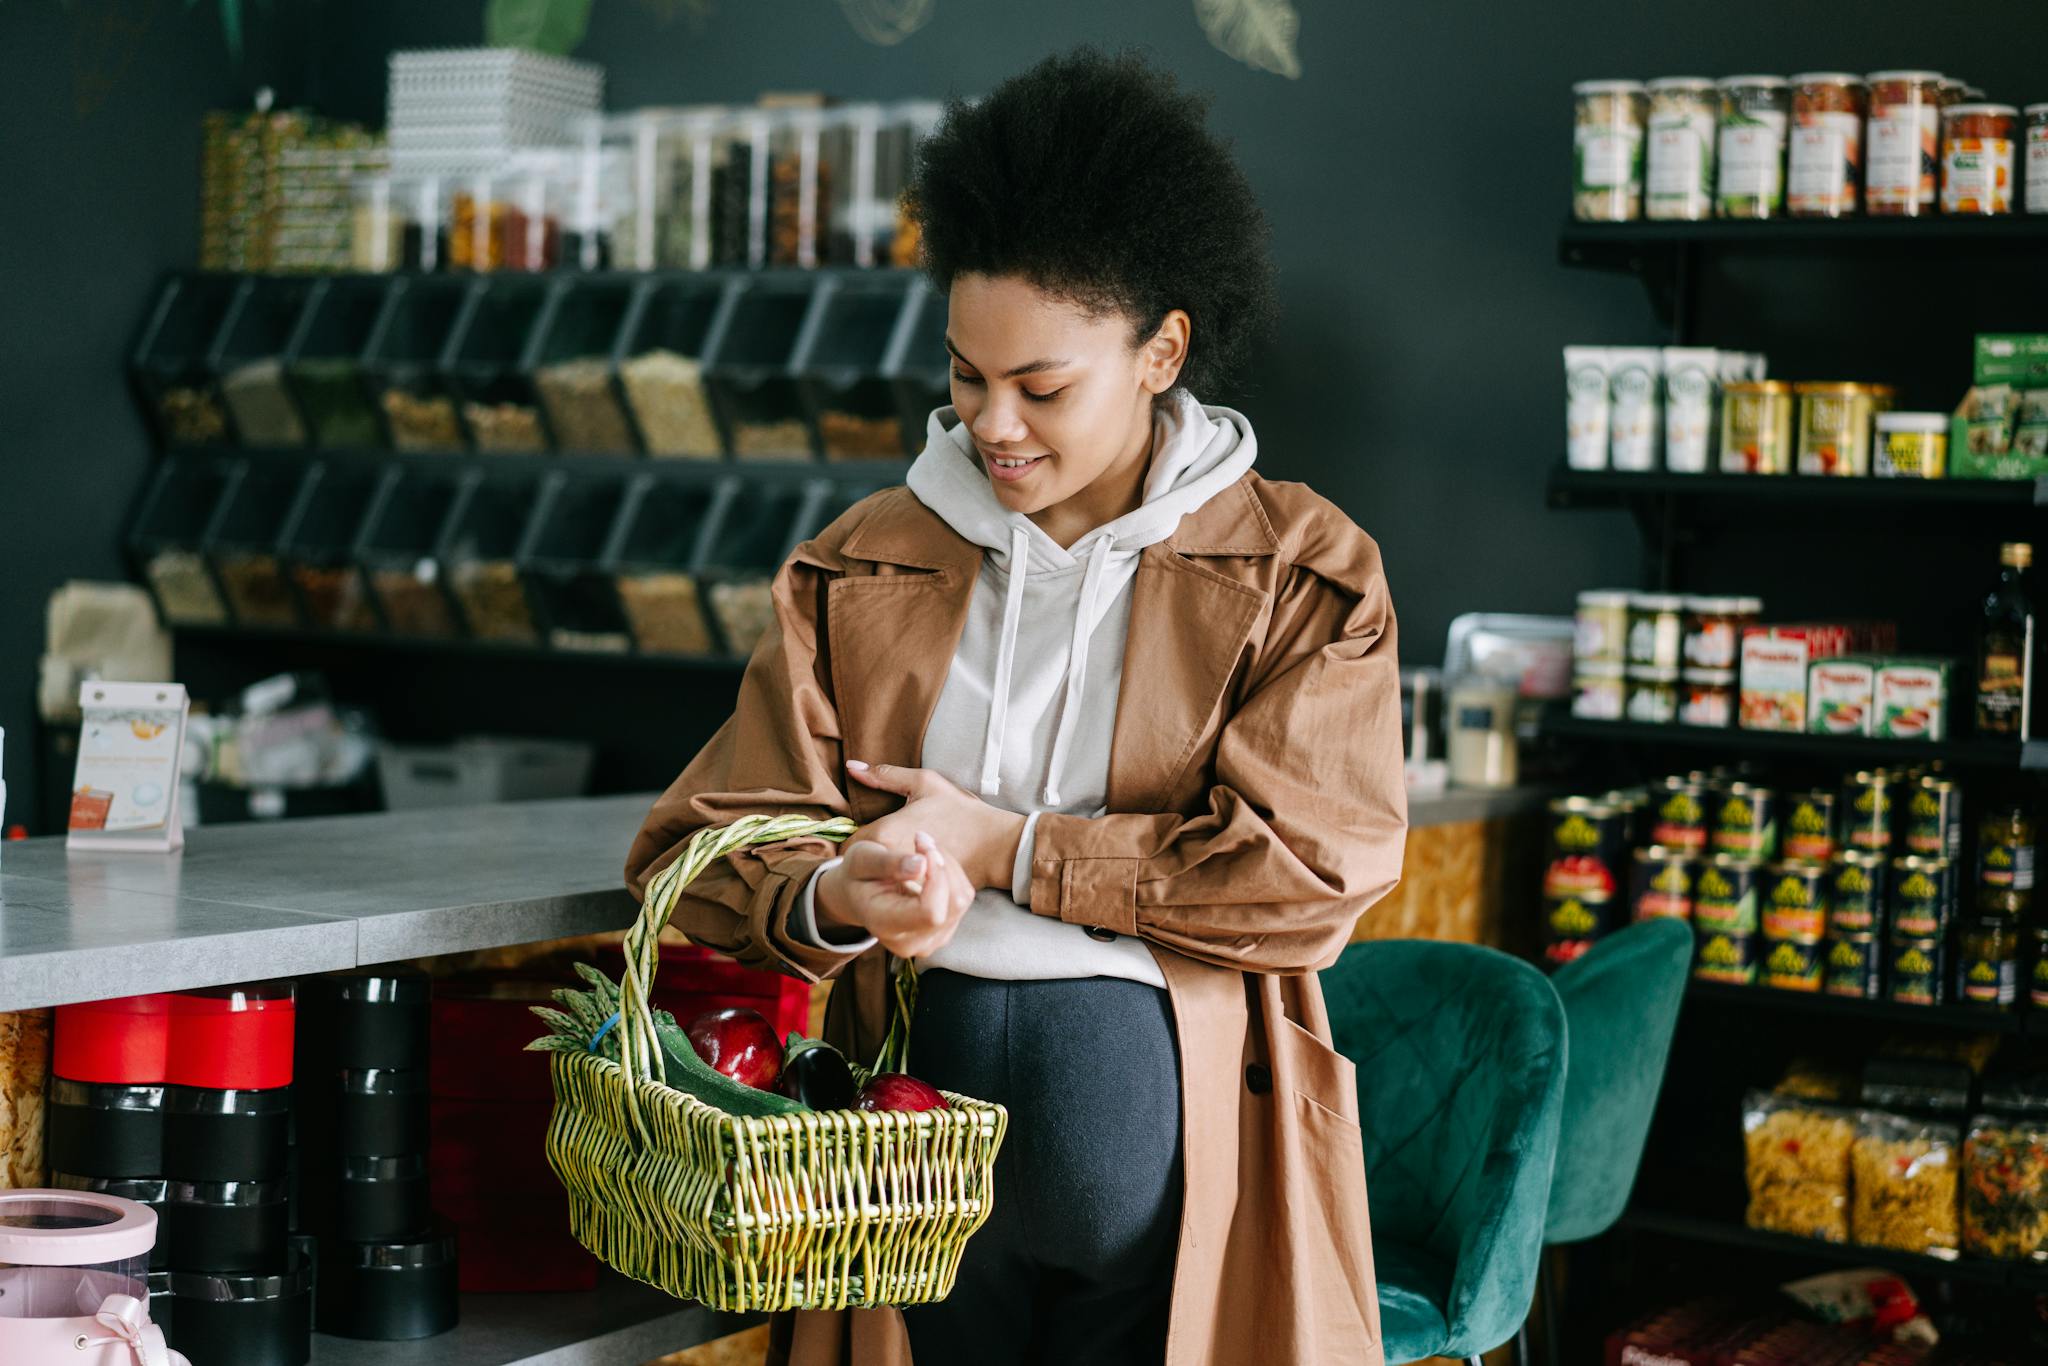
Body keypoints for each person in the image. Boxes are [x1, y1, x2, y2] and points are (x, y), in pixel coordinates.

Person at [626, 47, 1407, 1366]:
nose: (994, 423)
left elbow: (1304, 878)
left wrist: (1013, 849)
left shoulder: (1304, 574)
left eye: (1042, 387)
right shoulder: (863, 560)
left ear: (1163, 349)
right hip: (900, 1152)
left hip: (1159, 1151)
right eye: (965, 373)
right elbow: (694, 852)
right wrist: (838, 894)